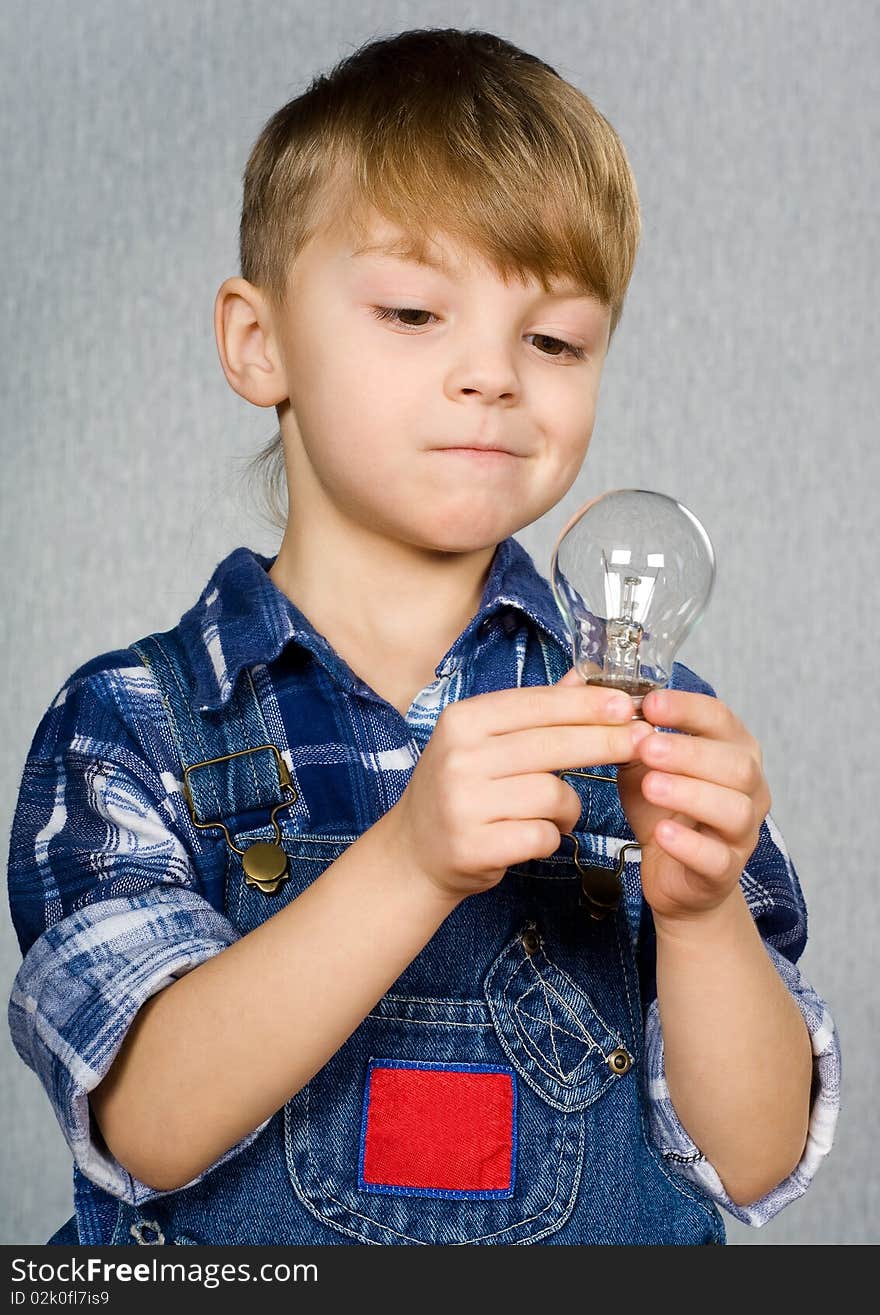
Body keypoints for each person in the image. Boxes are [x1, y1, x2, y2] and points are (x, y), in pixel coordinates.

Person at [7, 27, 840, 1248]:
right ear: (260, 342)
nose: (493, 376)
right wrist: (408, 860)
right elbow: (147, 1123)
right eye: (412, 310)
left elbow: (751, 1159)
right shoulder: (134, 722)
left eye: (551, 339)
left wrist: (706, 914)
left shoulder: (645, 723)